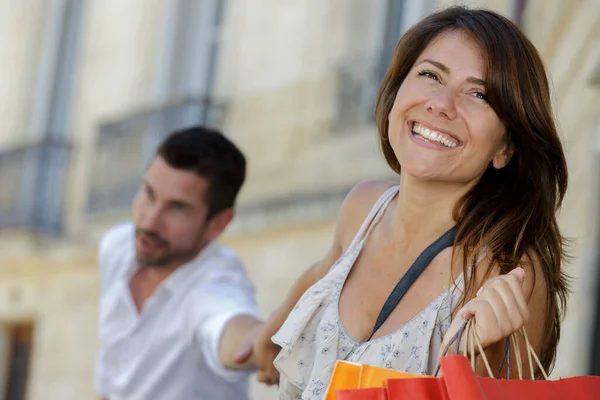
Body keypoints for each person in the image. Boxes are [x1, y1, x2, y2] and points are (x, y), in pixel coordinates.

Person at [241, 6, 570, 399]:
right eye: (430, 75)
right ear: (397, 90)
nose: (441, 104)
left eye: (479, 94)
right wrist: (267, 338)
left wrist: (483, 352)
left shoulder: (507, 272)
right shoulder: (364, 209)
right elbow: (320, 275)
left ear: (505, 146)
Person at [95, 126, 264, 400]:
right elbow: (112, 376)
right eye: (149, 193)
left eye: (178, 208)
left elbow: (230, 326)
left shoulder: (216, 282)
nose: (149, 222)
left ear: (218, 224)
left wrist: (262, 343)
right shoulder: (116, 247)